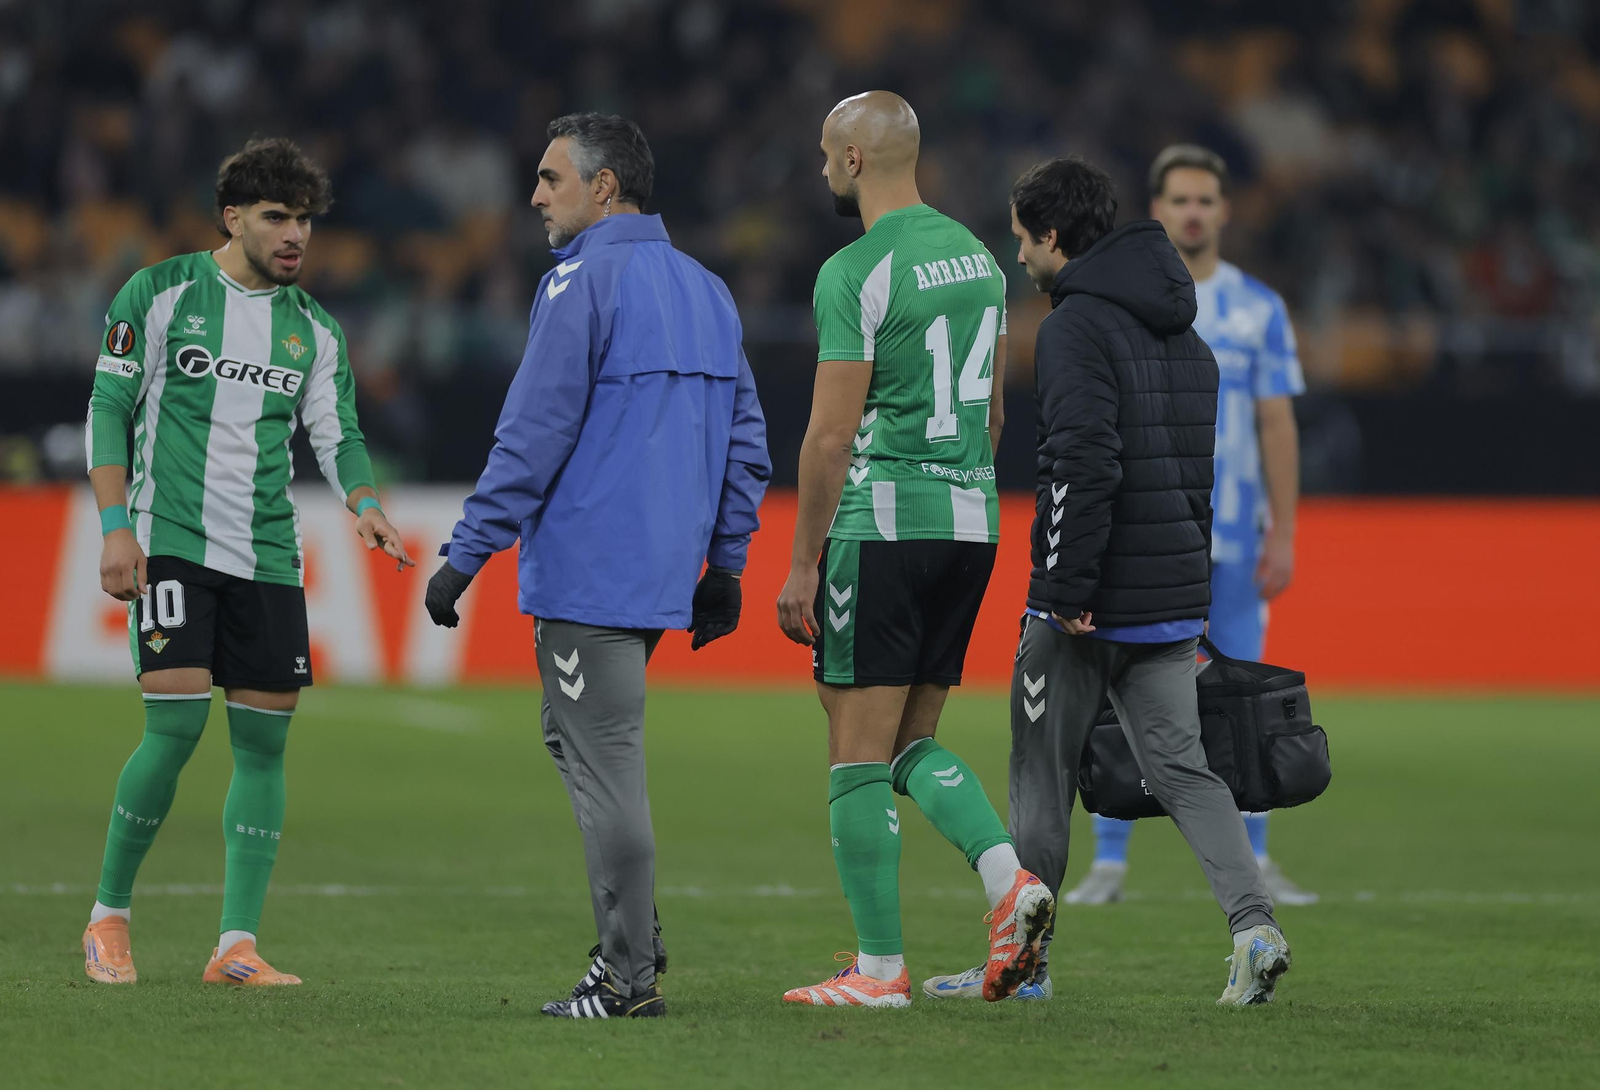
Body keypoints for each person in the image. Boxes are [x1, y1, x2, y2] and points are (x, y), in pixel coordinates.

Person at [424, 113, 770, 1020]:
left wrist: (464, 555)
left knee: (605, 763)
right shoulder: (707, 289)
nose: (536, 196)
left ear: (604, 187)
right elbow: (747, 441)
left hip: (591, 575)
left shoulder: (579, 281)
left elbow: (532, 434)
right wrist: (726, 563)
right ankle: (638, 937)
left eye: (552, 178)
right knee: (571, 736)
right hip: (662, 575)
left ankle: (626, 979)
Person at [925, 156, 1291, 1006]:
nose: (1019, 254)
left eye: (1023, 239)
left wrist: (1062, 589)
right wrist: (1189, 593)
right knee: (1186, 771)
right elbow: (1193, 479)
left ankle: (1023, 966)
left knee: (1040, 774)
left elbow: (1079, 467)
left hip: (1087, 606)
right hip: (1170, 600)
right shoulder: (1187, 336)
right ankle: (1255, 929)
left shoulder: (1074, 329)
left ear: (1053, 235)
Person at [81, 138, 413, 987]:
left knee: (264, 747)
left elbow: (338, 433)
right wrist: (116, 528)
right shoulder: (160, 292)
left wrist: (365, 503)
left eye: (304, 219)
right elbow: (110, 406)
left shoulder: (315, 331)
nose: (295, 234)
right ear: (232, 218)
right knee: (175, 727)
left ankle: (236, 944)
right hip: (171, 541)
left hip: (268, 555)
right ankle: (108, 917)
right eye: (276, 217)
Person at [775, 91, 1054, 1010]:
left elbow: (828, 437)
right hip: (971, 521)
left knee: (854, 752)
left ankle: (879, 970)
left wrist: (803, 563)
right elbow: (996, 413)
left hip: (882, 523)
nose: (823, 167)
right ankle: (1010, 882)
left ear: (854, 159)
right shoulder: (979, 258)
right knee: (910, 744)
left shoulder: (855, 269)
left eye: (827, 152)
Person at [1066, 144, 1316, 908]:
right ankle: (1110, 860)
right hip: (1147, 528)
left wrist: (1283, 531)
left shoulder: (1258, 308)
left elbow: (1277, 423)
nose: (1194, 212)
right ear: (1158, 209)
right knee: (1120, 685)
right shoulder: (1127, 302)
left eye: (1205, 199)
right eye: (1180, 199)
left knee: (1244, 691)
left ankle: (1256, 857)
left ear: (1224, 209)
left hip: (1233, 533)